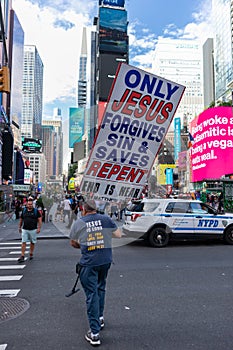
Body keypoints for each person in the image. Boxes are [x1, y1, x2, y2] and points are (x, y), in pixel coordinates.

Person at [69, 199, 121, 346]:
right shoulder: (105, 219)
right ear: (96, 209)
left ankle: (95, 333)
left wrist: (85, 244)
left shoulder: (79, 222)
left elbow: (72, 242)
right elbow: (118, 235)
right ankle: (99, 318)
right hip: (105, 260)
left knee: (92, 294)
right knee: (100, 288)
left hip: (89, 263)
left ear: (83, 210)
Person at [18, 197, 42, 263]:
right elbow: (21, 219)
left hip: (33, 229)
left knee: (32, 242)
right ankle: (22, 255)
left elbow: (39, 220)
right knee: (23, 242)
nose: (30, 205)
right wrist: (19, 227)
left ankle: (31, 253)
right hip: (25, 229)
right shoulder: (24, 211)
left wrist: (39, 228)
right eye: (29, 204)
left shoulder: (35, 211)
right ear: (27, 205)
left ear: (32, 205)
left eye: (31, 204)